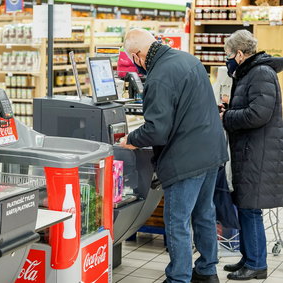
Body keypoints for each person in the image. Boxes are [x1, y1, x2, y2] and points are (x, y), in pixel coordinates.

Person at [119, 29, 228, 283]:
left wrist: (131, 140)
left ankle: (178, 277)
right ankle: (207, 271)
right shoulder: (187, 59)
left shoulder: (159, 76)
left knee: (177, 221)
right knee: (204, 214)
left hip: (185, 159)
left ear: (138, 55)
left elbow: (157, 130)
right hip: (210, 151)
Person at [221, 29, 283, 280]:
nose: (226, 59)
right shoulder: (251, 72)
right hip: (250, 149)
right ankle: (248, 258)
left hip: (258, 152)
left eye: (228, 54)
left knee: (251, 208)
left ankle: (257, 265)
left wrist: (227, 117)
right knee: (245, 206)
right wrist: (231, 107)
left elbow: (258, 114)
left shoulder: (260, 73)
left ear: (238, 53)